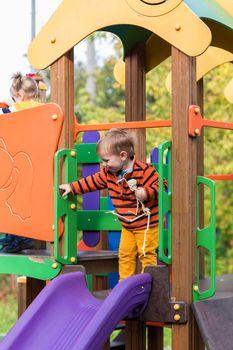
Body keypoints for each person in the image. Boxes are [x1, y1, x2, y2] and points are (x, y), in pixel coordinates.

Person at [59, 128, 166, 281]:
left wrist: (146, 192)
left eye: (106, 160)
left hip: (147, 225)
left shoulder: (144, 171)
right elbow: (92, 182)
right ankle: (125, 284)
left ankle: (148, 284)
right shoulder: (109, 174)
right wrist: (72, 187)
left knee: (146, 253)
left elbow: (162, 186)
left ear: (123, 156)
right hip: (128, 226)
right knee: (125, 254)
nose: (103, 164)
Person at [0, 72, 43, 253]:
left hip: (19, 161)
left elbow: (3, 113)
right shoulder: (43, 108)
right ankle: (20, 237)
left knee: (12, 200)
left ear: (19, 94)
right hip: (38, 162)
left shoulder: (16, 109)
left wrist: (6, 104)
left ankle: (15, 237)